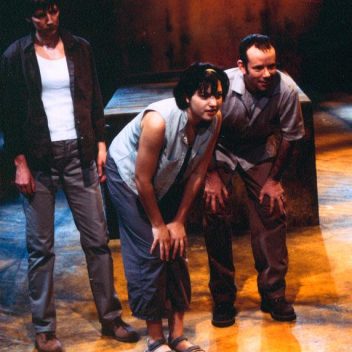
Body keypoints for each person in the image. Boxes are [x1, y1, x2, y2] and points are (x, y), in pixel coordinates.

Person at [0, 1, 138, 351]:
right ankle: (45, 330)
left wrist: (102, 142)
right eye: (39, 15)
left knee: (97, 241)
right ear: (28, 18)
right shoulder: (16, 56)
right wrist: (19, 162)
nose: (48, 21)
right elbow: (11, 113)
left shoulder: (80, 48)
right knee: (41, 249)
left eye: (53, 11)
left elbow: (93, 99)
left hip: (80, 153)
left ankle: (111, 318)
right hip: (39, 159)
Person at [106, 63, 229, 352]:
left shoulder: (216, 119)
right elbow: (142, 179)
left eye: (218, 95)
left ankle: (177, 335)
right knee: (152, 248)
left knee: (177, 247)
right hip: (128, 178)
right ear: (187, 97)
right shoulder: (158, 122)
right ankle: (155, 338)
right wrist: (159, 225)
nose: (213, 103)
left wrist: (179, 221)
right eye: (205, 95)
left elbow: (198, 173)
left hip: (169, 177)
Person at [203, 34, 305, 327]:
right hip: (218, 149)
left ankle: (273, 294)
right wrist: (210, 175)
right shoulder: (220, 85)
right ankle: (223, 299)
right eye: (258, 68)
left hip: (257, 150)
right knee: (213, 209)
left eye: (271, 66)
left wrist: (274, 180)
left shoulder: (284, 89)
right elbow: (200, 131)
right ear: (241, 66)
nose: (267, 74)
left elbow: (291, 137)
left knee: (272, 209)